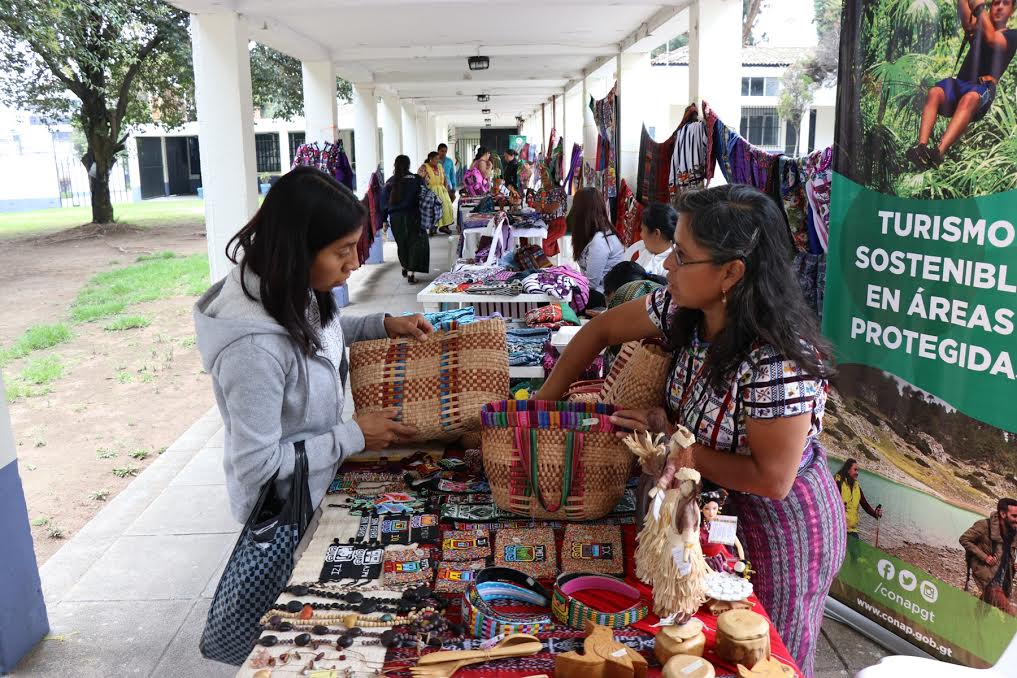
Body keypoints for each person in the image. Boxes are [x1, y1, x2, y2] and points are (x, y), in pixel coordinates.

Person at [535, 184, 843, 677]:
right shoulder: (683, 310)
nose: (668, 266)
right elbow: (597, 331)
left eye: (682, 255)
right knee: (684, 649)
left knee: (751, 656)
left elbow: (772, 478)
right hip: (701, 511)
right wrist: (536, 415)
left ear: (731, 272)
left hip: (775, 529)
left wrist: (686, 450)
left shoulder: (777, 358)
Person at [194, 167, 434, 524]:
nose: (355, 263)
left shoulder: (288, 287)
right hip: (285, 513)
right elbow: (257, 467)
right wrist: (352, 436)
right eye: (342, 251)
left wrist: (380, 324)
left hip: (318, 485)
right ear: (298, 249)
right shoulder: (252, 351)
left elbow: (315, 335)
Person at [906, 0, 1017, 168]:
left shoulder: (1012, 35)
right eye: (995, 3)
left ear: (1012, 10)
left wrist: (979, 8)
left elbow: (992, 39)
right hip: (959, 84)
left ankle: (938, 153)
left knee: (970, 98)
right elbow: (967, 18)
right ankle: (921, 148)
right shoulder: (978, 29)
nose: (1000, 7)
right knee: (935, 92)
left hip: (981, 90)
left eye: (1006, 3)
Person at [568, 186, 625, 304]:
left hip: (603, 297)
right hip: (596, 292)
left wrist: (567, 280)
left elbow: (591, 283)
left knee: (557, 295)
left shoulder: (599, 241)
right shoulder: (593, 235)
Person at [960, 497, 1017, 613]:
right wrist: (984, 557)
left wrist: (1013, 566)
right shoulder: (984, 526)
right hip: (988, 576)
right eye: (1014, 516)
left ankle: (969, 623)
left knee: (983, 609)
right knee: (1010, 615)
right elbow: (964, 539)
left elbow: (1007, 556)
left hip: (1003, 579)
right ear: (1002, 514)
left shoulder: (1013, 532)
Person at [382, 155, 429, 284]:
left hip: (395, 218)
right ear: (408, 165)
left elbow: (383, 203)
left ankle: (404, 266)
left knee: (401, 243)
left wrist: (384, 220)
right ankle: (411, 273)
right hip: (413, 216)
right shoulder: (415, 179)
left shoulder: (390, 181)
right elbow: (426, 195)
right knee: (414, 243)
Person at [834, 458, 883, 539]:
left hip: (852, 530)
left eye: (858, 470)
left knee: (856, 552)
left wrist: (875, 514)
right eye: (855, 470)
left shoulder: (857, 487)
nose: (857, 473)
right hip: (838, 528)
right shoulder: (838, 482)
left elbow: (865, 505)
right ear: (848, 470)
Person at [624, 203, 677, 276]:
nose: (641, 235)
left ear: (656, 233)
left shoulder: (671, 266)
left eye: (642, 230)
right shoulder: (647, 251)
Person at [531, 164, 569, 257]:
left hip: (557, 224)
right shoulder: (540, 191)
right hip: (542, 223)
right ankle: (534, 262)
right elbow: (536, 207)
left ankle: (543, 265)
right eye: (542, 176)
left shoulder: (559, 191)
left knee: (541, 243)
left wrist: (541, 205)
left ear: (551, 177)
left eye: (546, 176)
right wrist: (544, 206)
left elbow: (552, 209)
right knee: (529, 240)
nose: (543, 178)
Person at [418, 151, 454, 235]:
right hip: (431, 190)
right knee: (432, 210)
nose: (438, 161)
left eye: (438, 159)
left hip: (441, 190)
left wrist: (446, 188)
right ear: (430, 159)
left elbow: (444, 178)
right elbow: (420, 178)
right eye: (436, 159)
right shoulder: (424, 167)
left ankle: (443, 226)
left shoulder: (440, 166)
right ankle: (433, 227)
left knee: (446, 208)